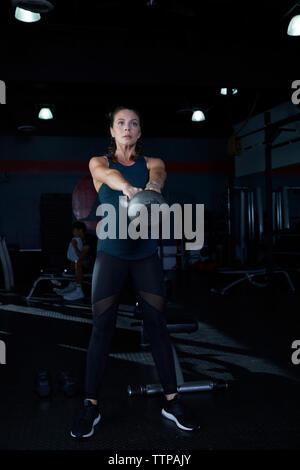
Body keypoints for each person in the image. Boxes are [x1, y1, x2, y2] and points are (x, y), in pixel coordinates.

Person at [70, 106, 200, 438]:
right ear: (112, 131)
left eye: (134, 124)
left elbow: (157, 178)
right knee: (102, 328)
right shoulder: (99, 163)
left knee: (158, 326)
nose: (127, 128)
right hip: (111, 257)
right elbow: (110, 178)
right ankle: (90, 405)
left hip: (145, 256)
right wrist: (128, 188)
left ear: (139, 132)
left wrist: (152, 189)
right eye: (121, 123)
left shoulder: (153, 164)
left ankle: (172, 402)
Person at [54, 221, 91, 301]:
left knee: (78, 262)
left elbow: (81, 256)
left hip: (91, 264)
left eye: (74, 230)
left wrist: (74, 246)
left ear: (80, 230)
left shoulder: (87, 240)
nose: (73, 233)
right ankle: (71, 286)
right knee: (73, 262)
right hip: (81, 263)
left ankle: (79, 291)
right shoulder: (77, 240)